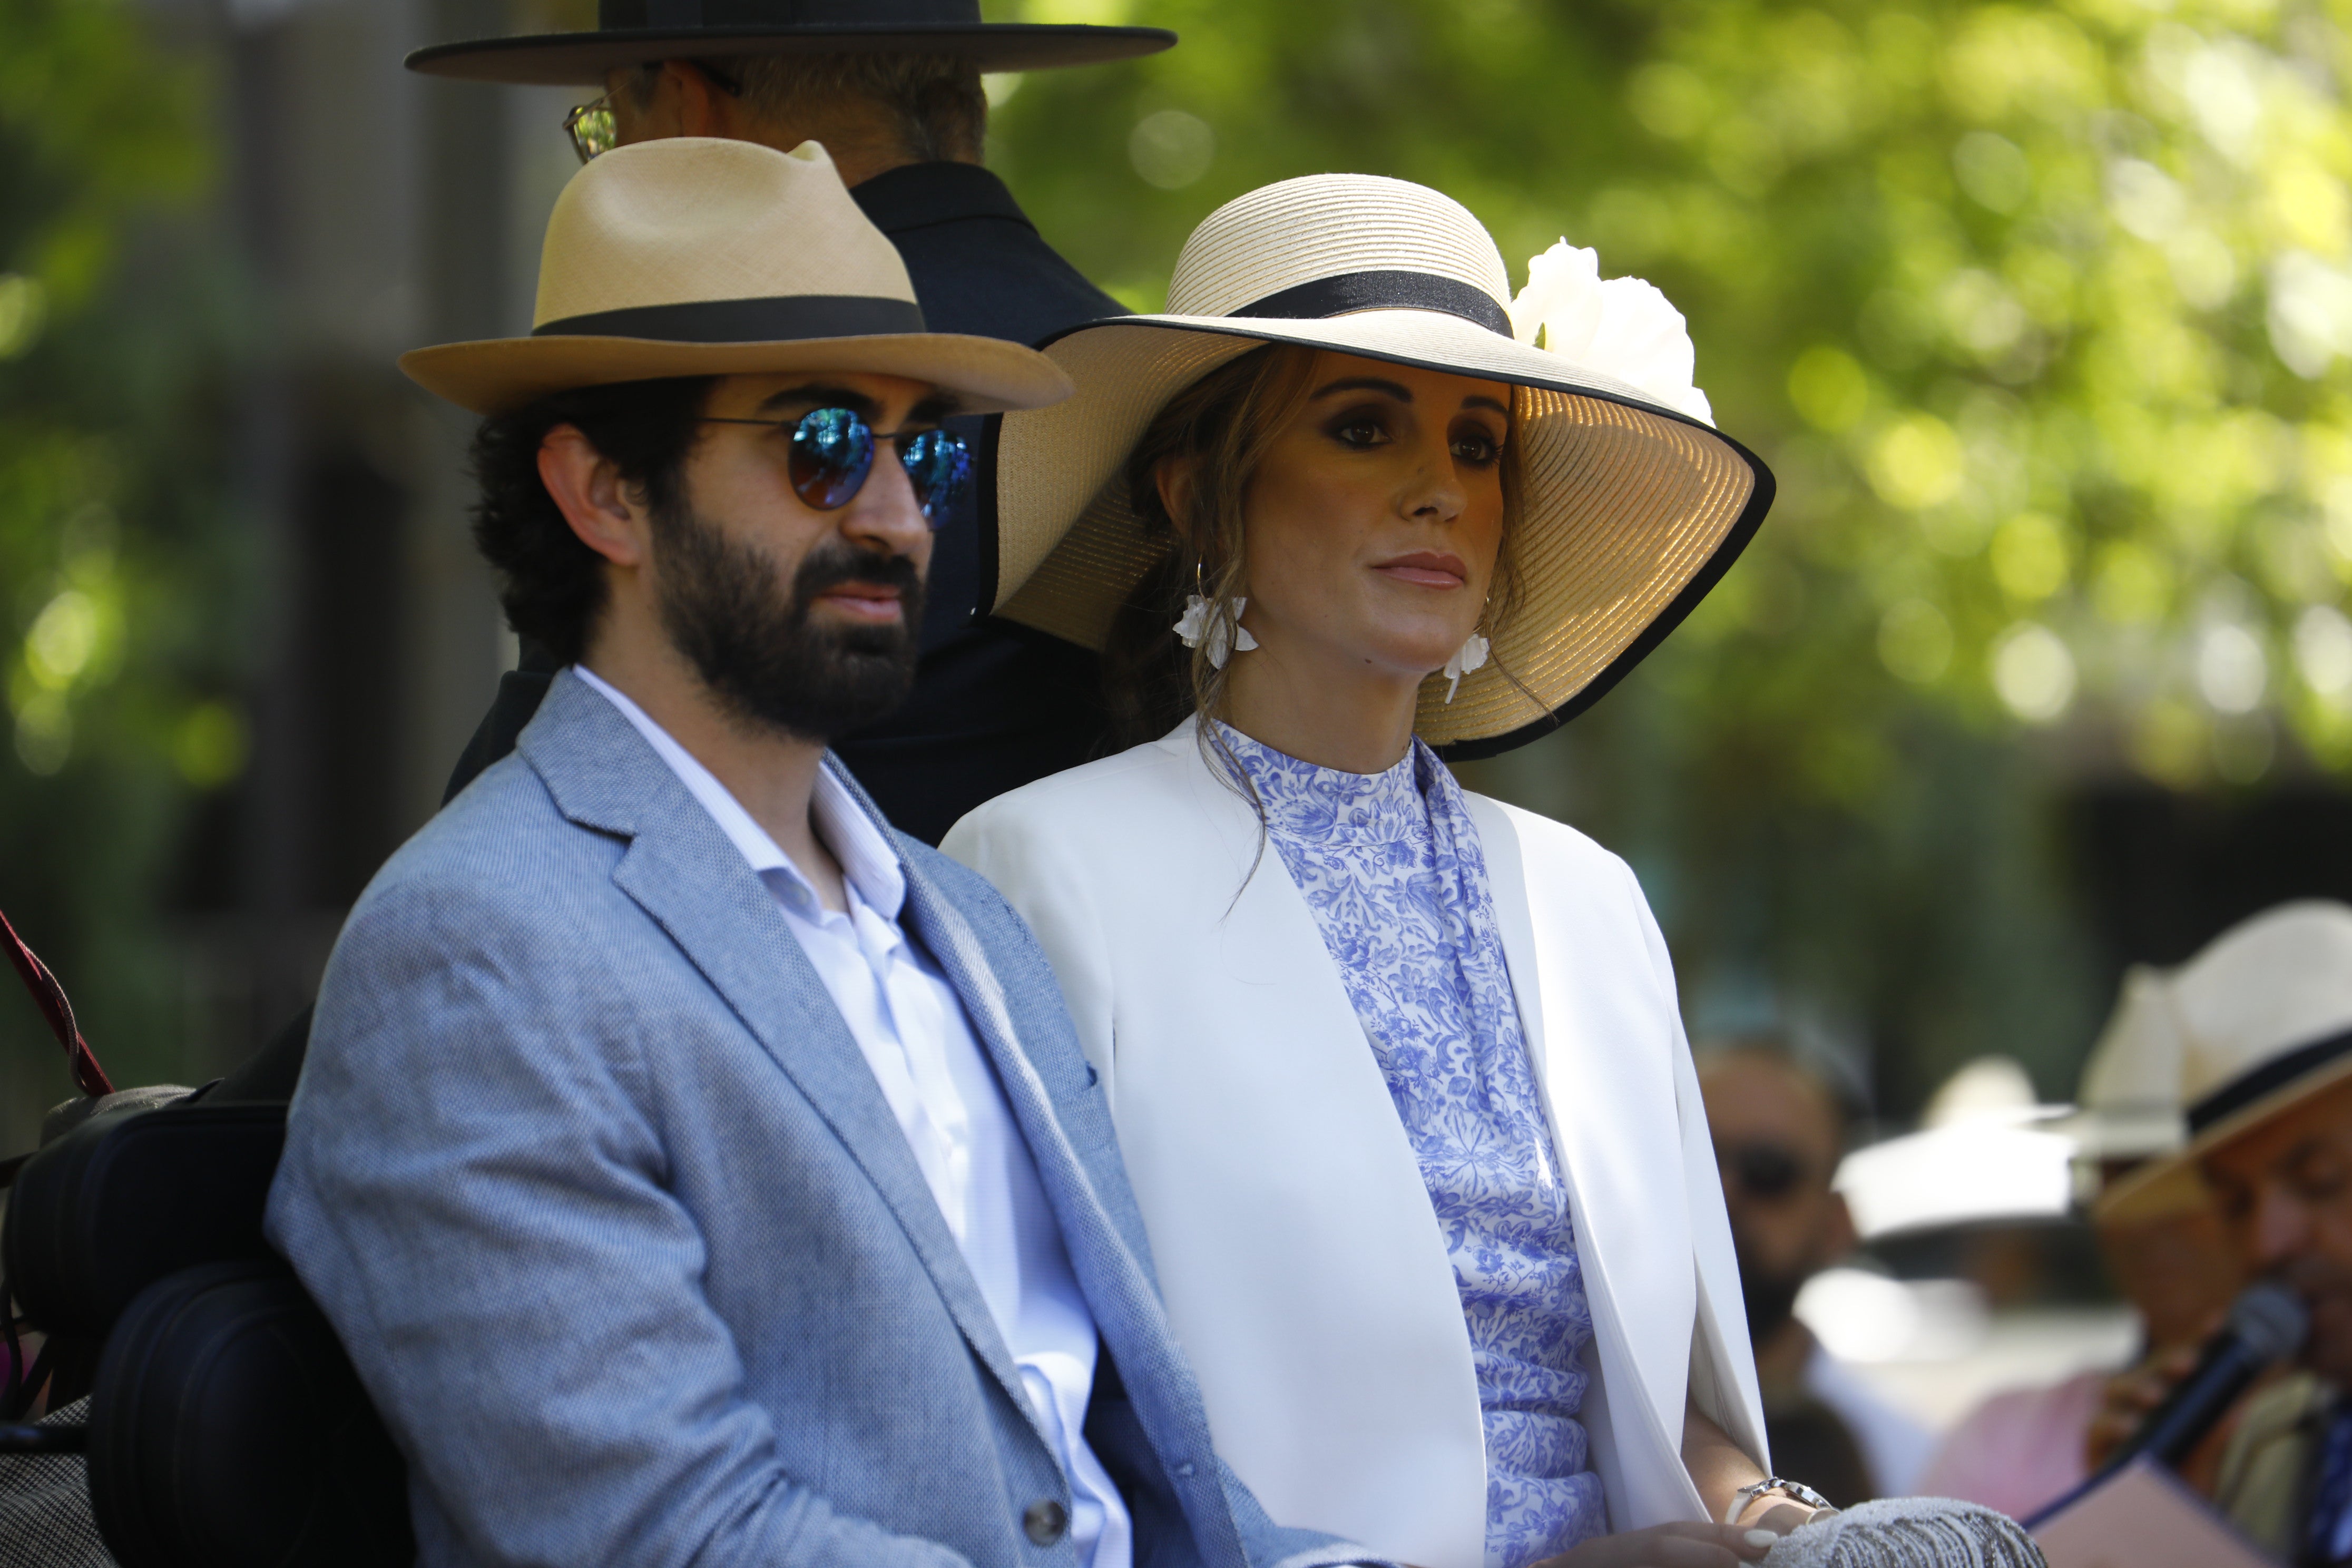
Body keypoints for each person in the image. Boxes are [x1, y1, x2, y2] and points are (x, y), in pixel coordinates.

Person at [267, 136, 1367, 1568]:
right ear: (602, 492)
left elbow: (1147, 1486)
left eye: (930, 450)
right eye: (824, 444)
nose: (901, 516)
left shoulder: (964, 913)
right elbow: (671, 1535)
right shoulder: (476, 952)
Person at [947, 173, 1811, 1568]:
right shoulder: (1042, 869)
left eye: (1479, 445)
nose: (1440, 489)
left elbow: (1683, 1428)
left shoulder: (1591, 902)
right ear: (1194, 496)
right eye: (1363, 428)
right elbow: (1044, 1444)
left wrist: (1794, 1529)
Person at [411, 0, 1179, 844]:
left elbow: (537, 831)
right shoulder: (1175, 386)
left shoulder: (669, 387)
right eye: (826, 449)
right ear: (970, 103)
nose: (898, 514)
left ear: (686, 108)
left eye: (605, 126)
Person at [1917, 964, 2243, 1518]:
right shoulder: (2008, 1435)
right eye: (2115, 1183)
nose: (2139, 1222)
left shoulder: (2323, 1447)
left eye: (2171, 1183)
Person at [2082, 901, 2352, 1561]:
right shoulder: (2273, 1446)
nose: (2268, 1242)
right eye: (2233, 1204)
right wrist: (2159, 1526)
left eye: (2319, 1180)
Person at [1699, 1043, 1933, 1504]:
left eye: (1768, 1170)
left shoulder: (1911, 1471)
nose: (1721, 1193)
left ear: (1836, 1225)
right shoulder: (1558, 1418)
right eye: (1693, 1160)